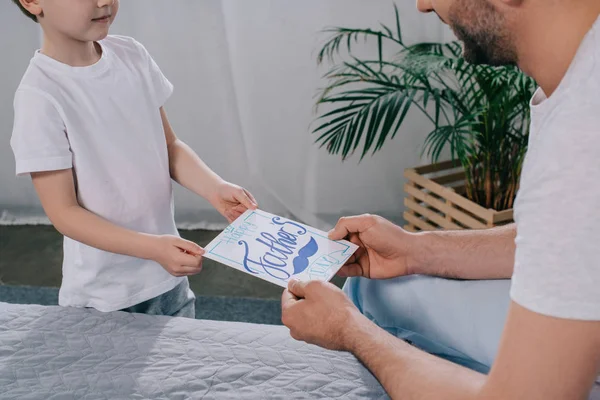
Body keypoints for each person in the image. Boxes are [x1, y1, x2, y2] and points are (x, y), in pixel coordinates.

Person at [282, 0, 600, 398]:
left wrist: (349, 331)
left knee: (367, 311)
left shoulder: (583, 135)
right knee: (375, 289)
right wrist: (417, 250)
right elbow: (572, 238)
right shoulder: (583, 73)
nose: (423, 4)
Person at [10, 0, 258, 318]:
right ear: (32, 2)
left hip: (168, 280)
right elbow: (64, 213)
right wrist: (153, 248)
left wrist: (215, 188)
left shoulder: (131, 55)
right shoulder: (40, 96)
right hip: (104, 297)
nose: (105, 2)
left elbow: (169, 147)